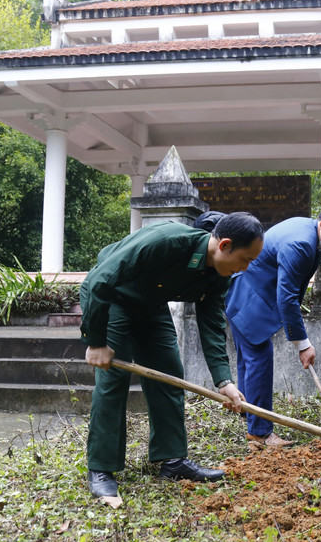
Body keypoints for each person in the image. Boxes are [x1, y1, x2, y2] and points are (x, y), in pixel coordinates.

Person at [79, 213, 264, 498]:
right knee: (113, 379)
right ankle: (101, 468)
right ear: (224, 245)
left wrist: (224, 381)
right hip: (114, 298)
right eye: (245, 259)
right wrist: (96, 341)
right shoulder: (166, 241)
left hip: (151, 306)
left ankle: (173, 460)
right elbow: (97, 282)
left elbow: (212, 325)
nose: (245, 267)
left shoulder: (219, 275)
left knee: (169, 374)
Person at [225, 203, 321, 447]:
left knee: (250, 357)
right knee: (258, 358)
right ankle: (260, 432)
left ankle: (249, 413)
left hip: (247, 292)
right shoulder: (301, 244)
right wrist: (303, 344)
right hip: (249, 297)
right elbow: (286, 297)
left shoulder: (308, 231)